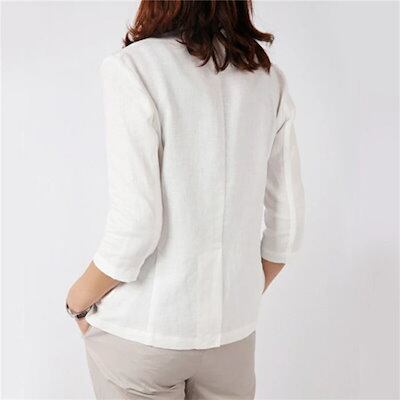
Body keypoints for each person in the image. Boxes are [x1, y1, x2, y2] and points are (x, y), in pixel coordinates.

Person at [66, 0, 305, 398]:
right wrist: (232, 299)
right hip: (231, 341)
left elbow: (137, 225)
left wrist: (78, 301)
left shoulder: (135, 68)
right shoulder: (267, 79)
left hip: (143, 334)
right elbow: (288, 228)